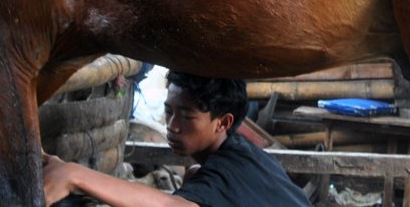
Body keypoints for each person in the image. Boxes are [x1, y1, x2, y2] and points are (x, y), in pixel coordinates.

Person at [43, 70, 311, 206]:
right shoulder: (240, 155)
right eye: (169, 112)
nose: (173, 126)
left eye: (187, 116)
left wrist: (75, 175)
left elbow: (171, 205)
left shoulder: (227, 173)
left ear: (223, 122)